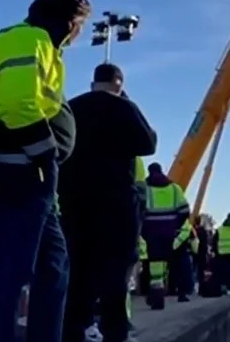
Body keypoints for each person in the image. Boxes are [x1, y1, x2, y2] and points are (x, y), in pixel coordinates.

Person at [0, 0, 91, 342]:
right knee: (9, 272)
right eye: (79, 25)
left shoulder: (40, 46)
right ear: (69, 21)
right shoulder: (28, 39)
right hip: (16, 168)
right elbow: (19, 104)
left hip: (30, 171)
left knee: (53, 267)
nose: (78, 34)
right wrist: (46, 154)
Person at [59, 63, 157, 342]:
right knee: (116, 269)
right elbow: (148, 143)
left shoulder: (73, 107)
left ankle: (75, 329)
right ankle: (115, 331)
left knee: (78, 267)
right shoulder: (124, 108)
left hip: (75, 201)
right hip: (115, 202)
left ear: (93, 83)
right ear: (119, 83)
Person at [141, 162, 190, 309]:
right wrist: (175, 225)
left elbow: (138, 210)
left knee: (155, 265)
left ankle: (156, 296)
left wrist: (143, 229)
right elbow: (185, 211)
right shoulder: (175, 189)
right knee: (170, 264)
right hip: (169, 234)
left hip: (151, 233)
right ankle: (175, 292)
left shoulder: (146, 189)